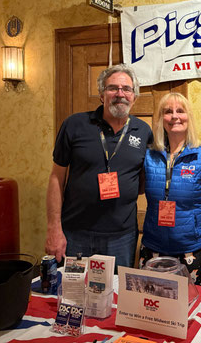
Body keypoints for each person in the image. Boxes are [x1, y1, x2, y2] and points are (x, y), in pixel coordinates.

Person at [45, 64, 153, 268]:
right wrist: (54, 229)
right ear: (102, 95)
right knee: (73, 288)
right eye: (112, 88)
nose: (120, 94)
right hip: (75, 233)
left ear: (134, 97)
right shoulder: (74, 125)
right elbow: (56, 178)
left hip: (122, 237)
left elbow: (143, 179)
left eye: (126, 89)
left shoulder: (143, 131)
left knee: (116, 288)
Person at [139, 92, 201, 285]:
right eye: (168, 111)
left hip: (191, 249)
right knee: (151, 301)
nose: (175, 116)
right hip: (153, 247)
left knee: (190, 301)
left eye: (180, 111)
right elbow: (135, 189)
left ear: (188, 117)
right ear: (161, 119)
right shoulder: (149, 155)